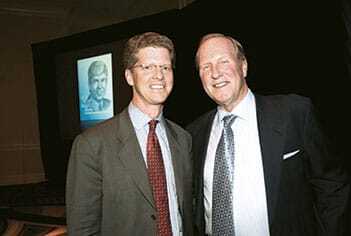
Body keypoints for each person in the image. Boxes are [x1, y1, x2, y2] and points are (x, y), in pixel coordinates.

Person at [187, 33, 349, 236]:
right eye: (206, 67)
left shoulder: (294, 112)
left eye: (223, 61)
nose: (215, 73)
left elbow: (332, 186)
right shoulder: (193, 134)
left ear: (243, 66)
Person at [66, 32, 193, 235]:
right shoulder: (92, 144)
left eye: (165, 67)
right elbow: (82, 228)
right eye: (147, 67)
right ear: (129, 76)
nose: (159, 75)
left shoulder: (183, 139)